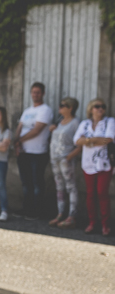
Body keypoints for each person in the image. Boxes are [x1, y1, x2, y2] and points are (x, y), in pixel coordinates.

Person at [74, 98, 115, 236]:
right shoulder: (85, 123)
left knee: (102, 193)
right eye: (97, 106)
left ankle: (105, 225)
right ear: (91, 109)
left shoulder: (109, 122)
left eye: (103, 106)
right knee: (90, 194)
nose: (100, 109)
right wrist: (94, 140)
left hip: (104, 163)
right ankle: (92, 222)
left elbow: (108, 139)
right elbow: (76, 141)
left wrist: (87, 140)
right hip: (88, 163)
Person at [15, 83, 52, 217]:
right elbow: (20, 127)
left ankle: (38, 212)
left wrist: (20, 140)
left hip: (38, 153)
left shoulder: (45, 110)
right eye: (33, 92)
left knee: (37, 183)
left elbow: (37, 130)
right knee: (26, 183)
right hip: (24, 152)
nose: (35, 94)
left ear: (42, 94)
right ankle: (27, 209)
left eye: (38, 92)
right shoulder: (27, 111)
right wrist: (16, 143)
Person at [48, 97, 80, 228]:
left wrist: (69, 157)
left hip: (65, 160)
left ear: (70, 108)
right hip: (55, 159)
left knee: (70, 186)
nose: (60, 107)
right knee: (59, 187)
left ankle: (72, 216)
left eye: (63, 105)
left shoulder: (75, 123)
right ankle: (60, 213)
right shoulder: (60, 121)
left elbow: (80, 143)